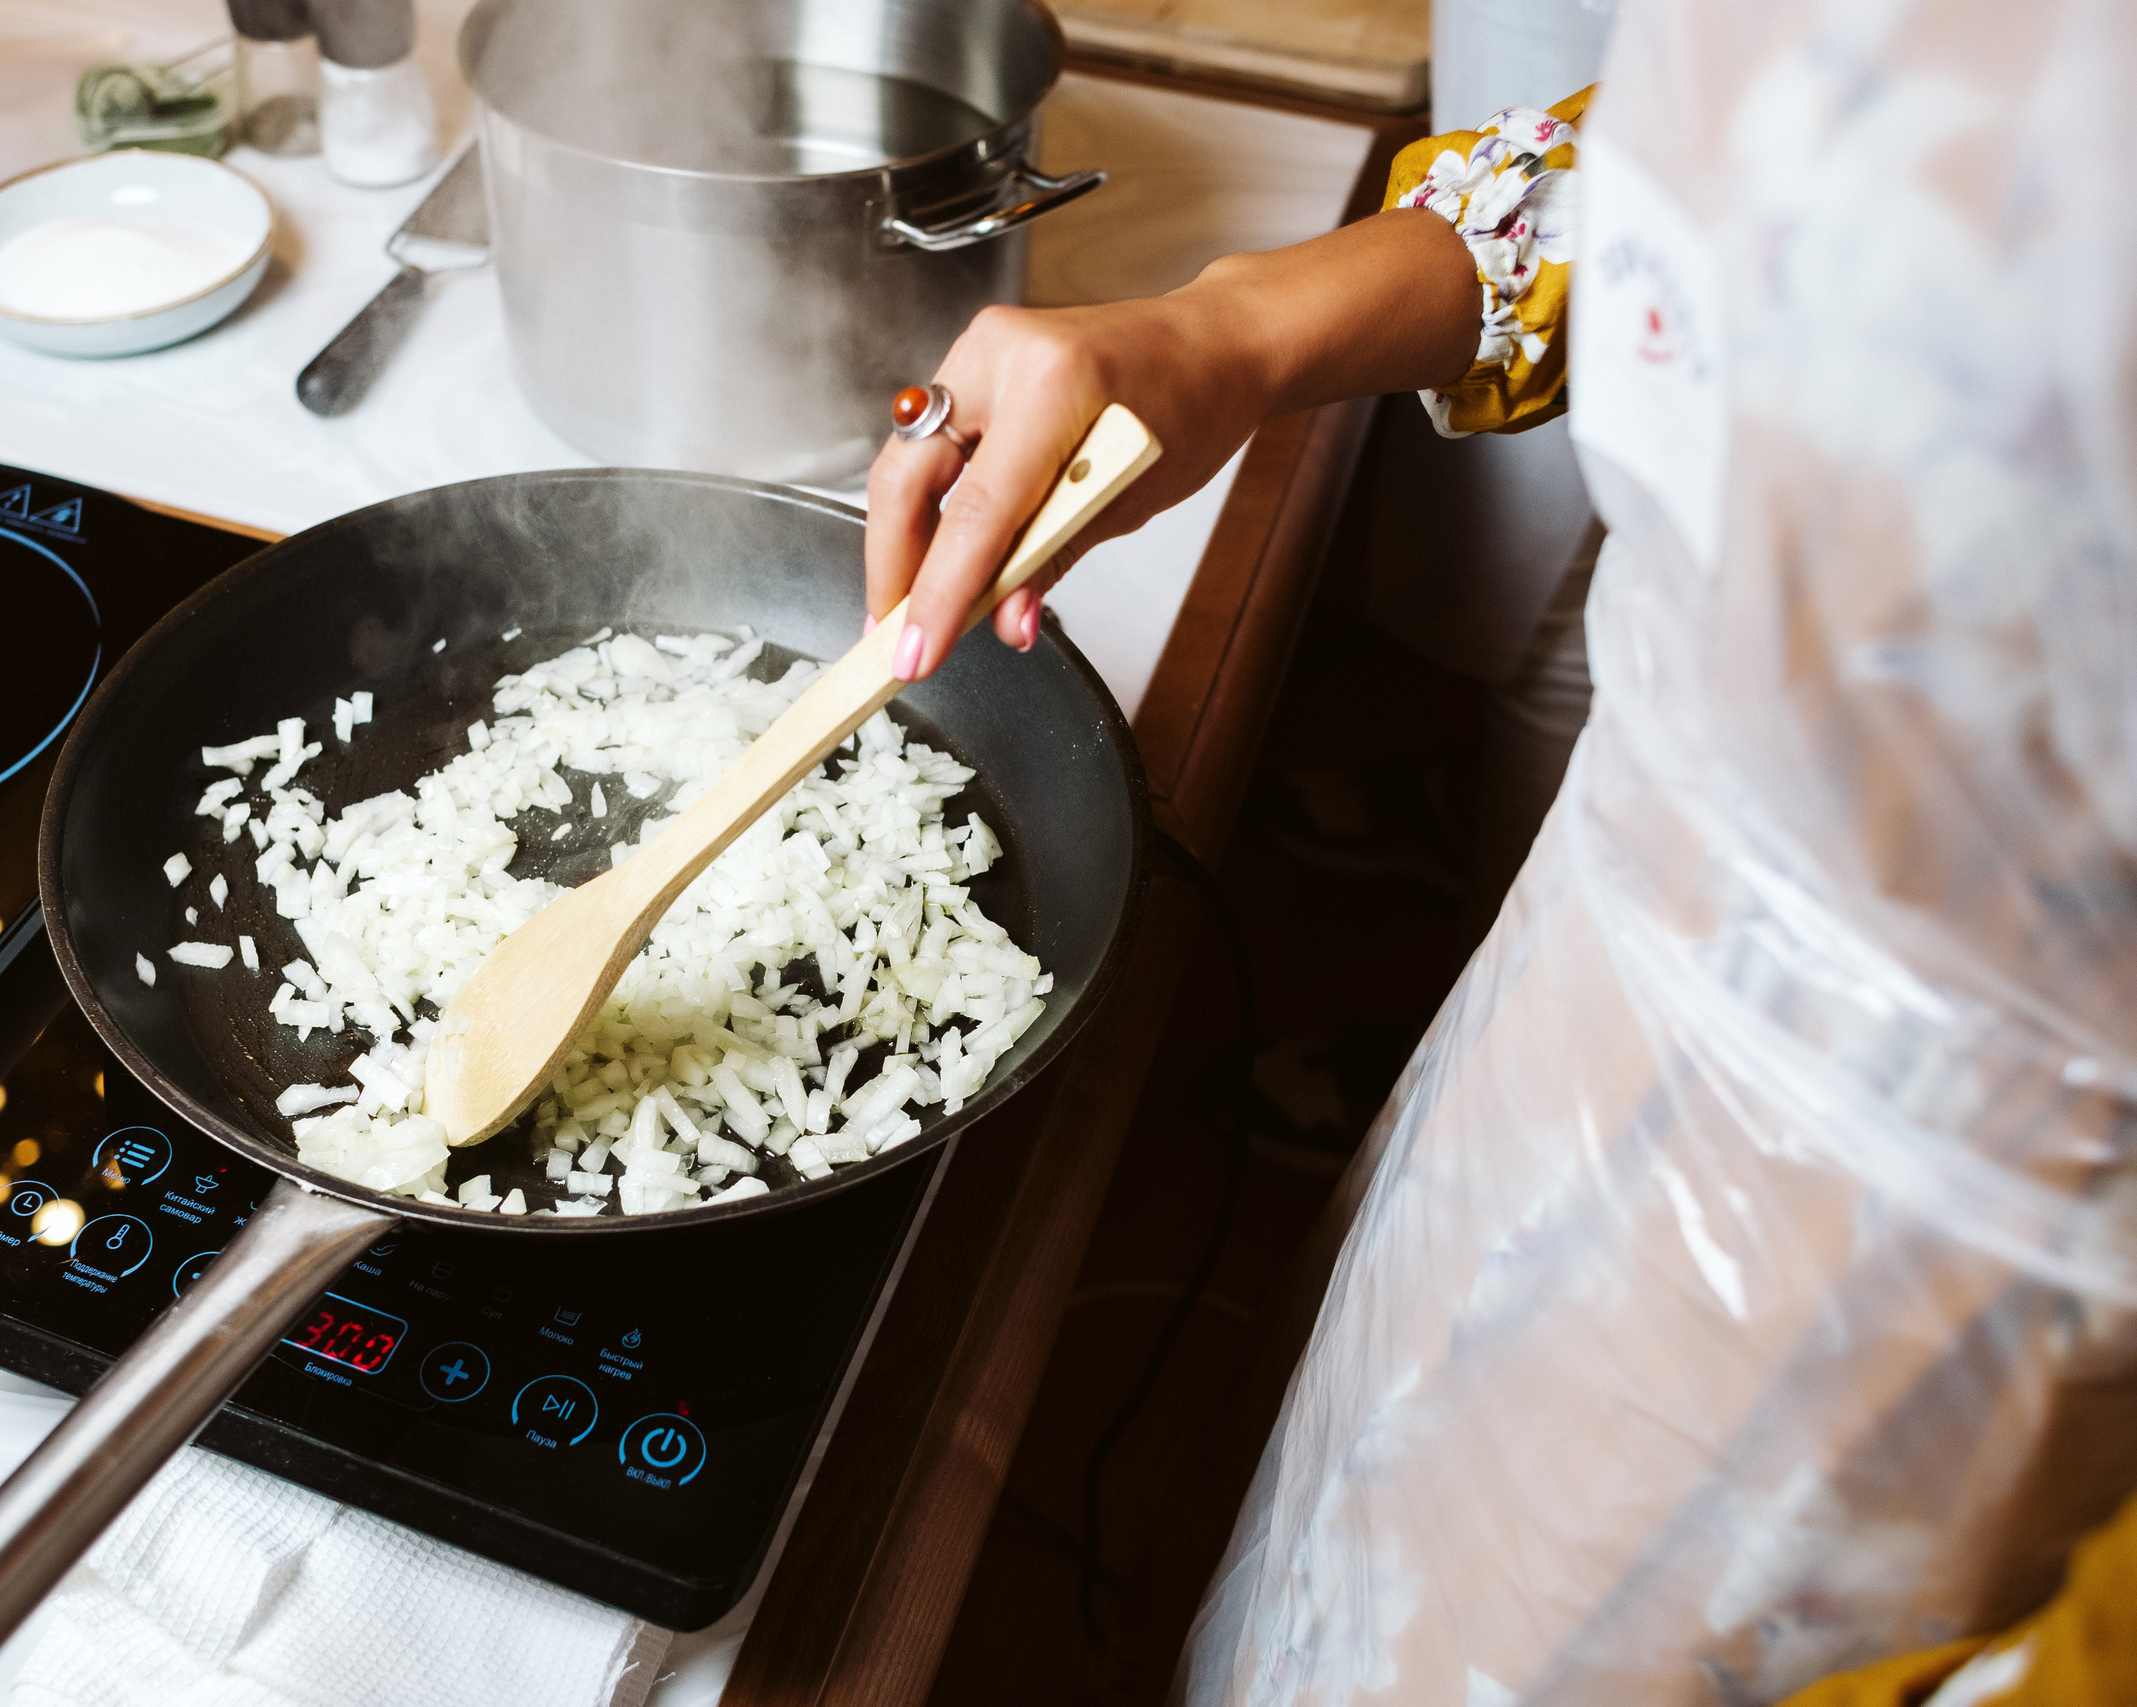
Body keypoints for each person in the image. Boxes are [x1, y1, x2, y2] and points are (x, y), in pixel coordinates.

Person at [863, 1, 2137, 1701]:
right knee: (1323, 1582)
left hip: (1988, 1327)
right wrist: (1224, 331)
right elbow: (1771, 176)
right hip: (1598, 984)